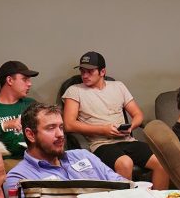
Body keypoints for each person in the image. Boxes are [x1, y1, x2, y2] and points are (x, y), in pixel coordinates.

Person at [61, 51, 168, 189]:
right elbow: (69, 125)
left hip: (126, 140)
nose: (84, 75)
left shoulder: (118, 86)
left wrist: (131, 127)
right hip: (101, 144)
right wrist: (103, 129)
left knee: (163, 161)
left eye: (90, 71)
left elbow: (138, 115)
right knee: (125, 163)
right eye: (82, 71)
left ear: (102, 71)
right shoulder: (74, 90)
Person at [4, 102, 126, 196]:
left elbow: (122, 186)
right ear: (30, 135)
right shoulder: (19, 178)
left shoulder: (83, 155)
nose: (60, 134)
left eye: (61, 127)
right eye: (51, 128)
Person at [0, 60, 40, 163]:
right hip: (5, 162)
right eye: (25, 79)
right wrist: (3, 126)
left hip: (35, 157)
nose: (29, 84)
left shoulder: (31, 105)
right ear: (9, 80)